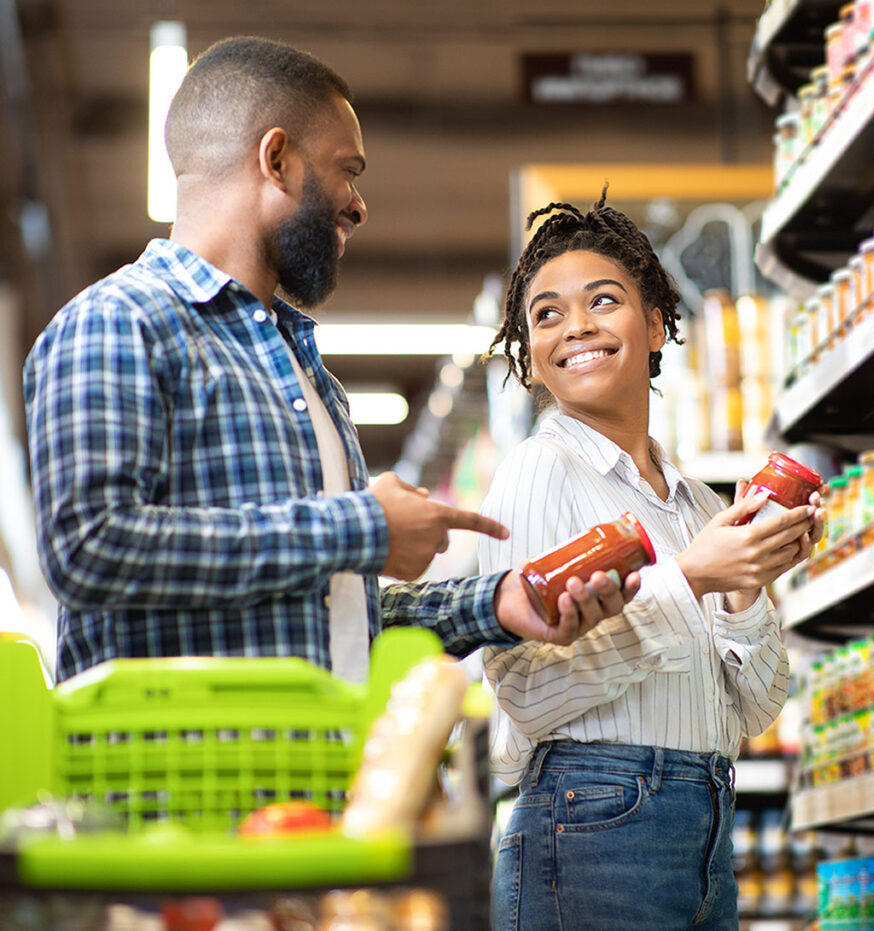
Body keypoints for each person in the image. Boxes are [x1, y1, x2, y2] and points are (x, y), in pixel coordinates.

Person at [22, 36, 639, 684]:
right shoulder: (118, 322)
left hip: (315, 773)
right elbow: (88, 548)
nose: (358, 203)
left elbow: (340, 613)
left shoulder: (306, 374)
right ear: (278, 159)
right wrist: (362, 525)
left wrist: (495, 602)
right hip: (177, 780)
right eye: (348, 169)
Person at [479, 191, 824, 930]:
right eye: (546, 314)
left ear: (658, 325)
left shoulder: (701, 505)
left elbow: (758, 709)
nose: (576, 326)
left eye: (602, 300)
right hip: (590, 825)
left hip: (705, 828)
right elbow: (526, 692)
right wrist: (693, 577)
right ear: (532, 358)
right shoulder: (539, 472)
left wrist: (744, 583)